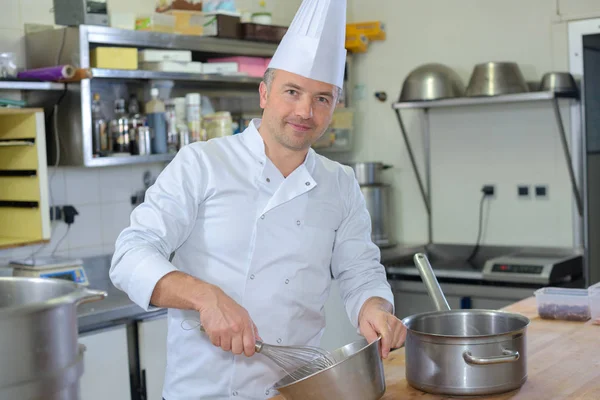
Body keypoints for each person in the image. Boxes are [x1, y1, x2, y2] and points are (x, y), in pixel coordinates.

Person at [109, 0, 406, 398]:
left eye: (322, 98)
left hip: (296, 391)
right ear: (264, 93)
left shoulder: (340, 183)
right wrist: (205, 297)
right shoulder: (203, 163)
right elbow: (130, 255)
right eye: (292, 91)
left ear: (335, 107)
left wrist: (374, 308)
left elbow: (360, 271)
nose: (305, 110)